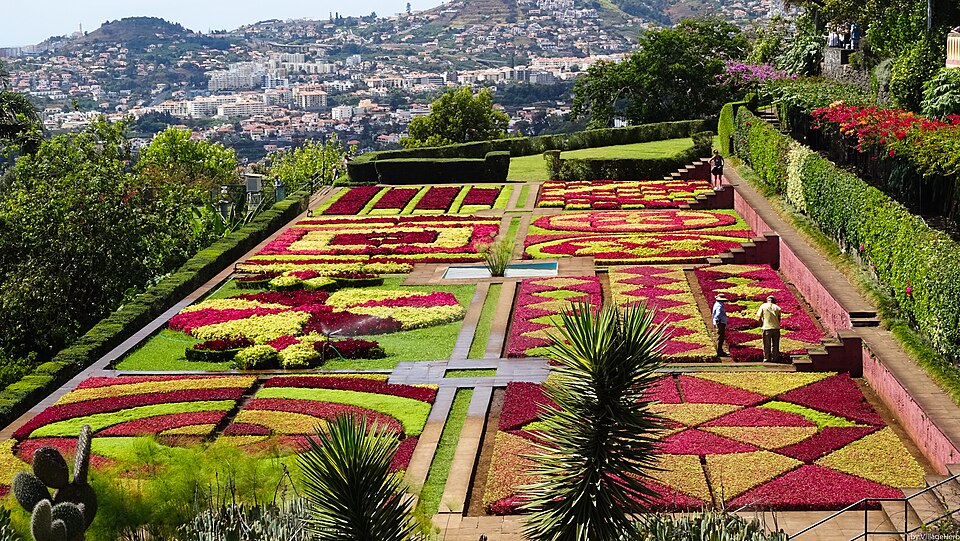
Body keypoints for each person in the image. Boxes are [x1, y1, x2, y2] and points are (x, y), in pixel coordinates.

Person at [756, 295, 782, 362]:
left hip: (766, 328)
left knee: (767, 344)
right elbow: (779, 319)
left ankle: (767, 358)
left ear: (767, 300)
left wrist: (761, 324)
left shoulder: (763, 306)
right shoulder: (778, 308)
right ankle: (775, 358)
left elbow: (758, 317)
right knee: (776, 344)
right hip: (776, 328)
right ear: (774, 301)